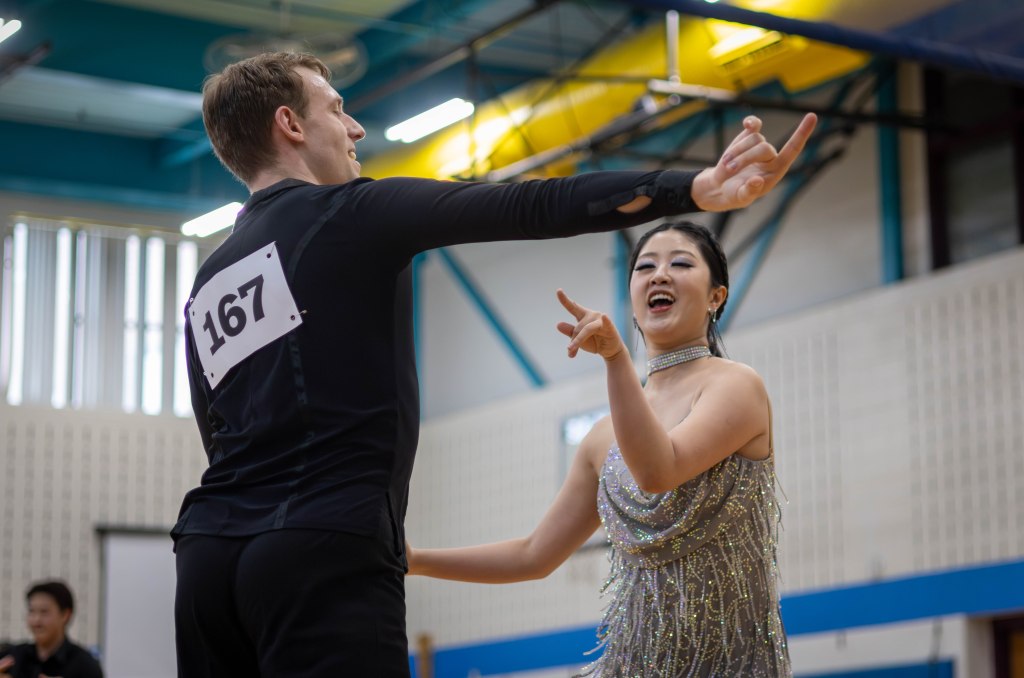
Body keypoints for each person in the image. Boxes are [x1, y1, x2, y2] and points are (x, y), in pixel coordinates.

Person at [173, 49, 814, 677]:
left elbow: (218, 439)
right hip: (322, 545)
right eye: (337, 109)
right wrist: (691, 187)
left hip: (207, 561)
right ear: (290, 124)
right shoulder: (353, 212)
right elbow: (527, 204)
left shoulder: (208, 282)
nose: (356, 128)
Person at [407, 221, 789, 676]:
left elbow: (658, 471)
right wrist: (415, 561)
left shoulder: (736, 385)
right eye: (645, 267)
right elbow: (534, 555)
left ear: (716, 297)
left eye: (680, 264)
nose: (659, 274)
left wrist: (615, 359)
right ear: (633, 298)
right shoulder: (601, 438)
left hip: (734, 665)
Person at [0, 580, 104, 678]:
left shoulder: (85, 666)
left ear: (65, 615)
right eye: (32, 611)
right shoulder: (13, 658)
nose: (36, 620)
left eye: (44, 612)